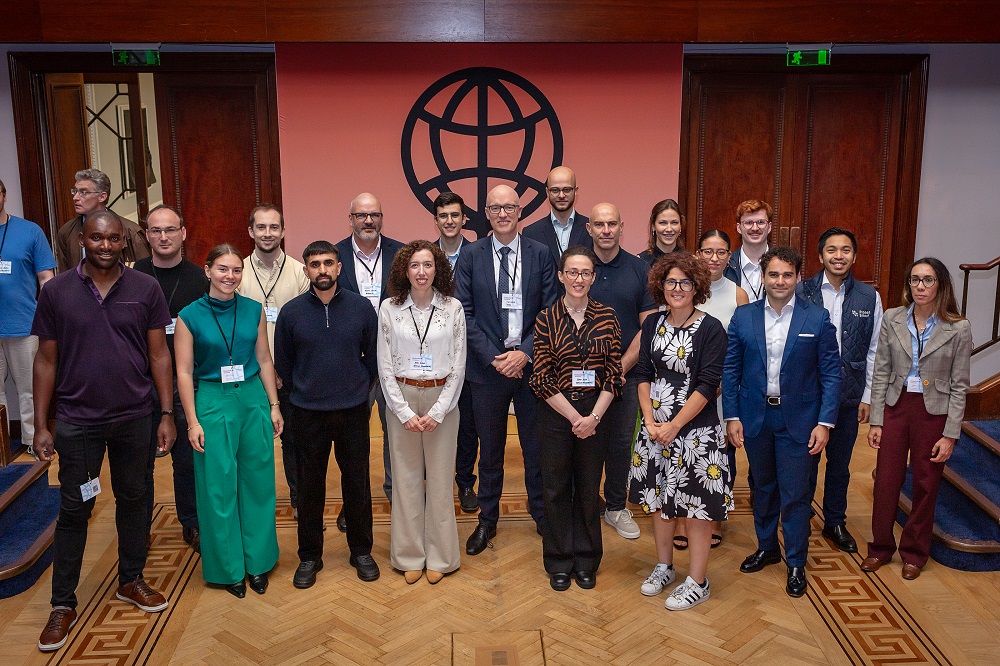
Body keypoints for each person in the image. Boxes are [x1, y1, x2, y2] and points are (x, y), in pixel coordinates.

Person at [32, 211, 174, 652]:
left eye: (114, 239)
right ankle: (62, 604)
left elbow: (159, 356)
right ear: (83, 241)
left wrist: (166, 413)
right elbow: (45, 361)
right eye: (97, 238)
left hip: (134, 417)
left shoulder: (145, 289)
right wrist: (39, 424)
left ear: (125, 242)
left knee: (136, 500)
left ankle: (130, 580)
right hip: (77, 423)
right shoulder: (56, 292)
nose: (106, 246)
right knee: (75, 510)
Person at [723, 246, 840, 598]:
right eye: (773, 274)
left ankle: (795, 561)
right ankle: (766, 547)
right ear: (763, 277)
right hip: (756, 417)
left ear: (798, 277)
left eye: (787, 275)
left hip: (801, 421)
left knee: (795, 493)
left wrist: (825, 423)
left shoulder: (816, 318)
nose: (780, 281)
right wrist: (731, 416)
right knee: (762, 487)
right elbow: (731, 370)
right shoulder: (743, 317)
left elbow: (832, 375)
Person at [454, 184, 558, 555]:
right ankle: (487, 521)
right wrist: (496, 357)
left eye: (509, 207)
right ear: (486, 211)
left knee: (536, 448)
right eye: (495, 208)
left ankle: (542, 516)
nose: (502, 214)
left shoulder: (541, 253)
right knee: (491, 449)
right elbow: (462, 312)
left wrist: (525, 353)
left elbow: (550, 310)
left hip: (531, 370)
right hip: (487, 371)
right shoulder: (471, 255)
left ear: (519, 211)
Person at [175, 244, 282, 598]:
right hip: (211, 400)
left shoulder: (254, 310)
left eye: (236, 270)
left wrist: (274, 405)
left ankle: (258, 563)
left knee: (257, 480)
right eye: (222, 269)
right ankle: (229, 568)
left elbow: (264, 360)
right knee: (217, 487)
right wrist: (192, 421)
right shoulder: (188, 316)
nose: (230, 276)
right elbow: (184, 371)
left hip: (251, 398)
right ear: (207, 271)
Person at [274, 241, 381, 587]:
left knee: (357, 483)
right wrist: (302, 392)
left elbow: (373, 356)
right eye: (315, 264)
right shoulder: (291, 313)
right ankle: (309, 556)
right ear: (306, 270)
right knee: (309, 487)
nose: (322, 269)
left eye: (328, 263)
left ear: (338, 268)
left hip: (352, 410)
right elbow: (284, 364)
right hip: (307, 413)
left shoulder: (361, 308)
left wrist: (358, 388)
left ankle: (361, 551)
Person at [629, 252, 730, 610]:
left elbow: (707, 383)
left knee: (696, 507)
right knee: (659, 502)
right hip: (655, 429)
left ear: (697, 287)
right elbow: (642, 374)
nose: (677, 289)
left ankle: (698, 581)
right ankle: (664, 566)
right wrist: (650, 421)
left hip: (694, 432)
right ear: (661, 285)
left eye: (685, 283)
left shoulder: (711, 328)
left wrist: (673, 425)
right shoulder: (652, 324)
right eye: (670, 282)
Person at [863, 258, 972, 580]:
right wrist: (877, 421)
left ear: (940, 284)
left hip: (933, 413)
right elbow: (881, 370)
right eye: (914, 280)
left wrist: (950, 434)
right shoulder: (893, 318)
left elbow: (960, 384)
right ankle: (880, 548)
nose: (920, 287)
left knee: (926, 483)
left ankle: (914, 553)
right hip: (897, 408)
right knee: (886, 482)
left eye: (927, 280)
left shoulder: (958, 327)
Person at [531, 246, 622, 591]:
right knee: (555, 488)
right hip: (557, 414)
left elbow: (614, 373)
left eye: (585, 273)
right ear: (561, 276)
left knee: (587, 489)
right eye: (572, 272)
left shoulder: (608, 317)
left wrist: (593, 417)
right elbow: (540, 377)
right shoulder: (545, 319)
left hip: (597, 412)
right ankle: (558, 560)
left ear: (593, 278)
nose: (578, 279)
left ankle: (586, 560)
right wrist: (575, 418)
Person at [378, 240, 466, 584]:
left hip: (443, 398)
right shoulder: (389, 308)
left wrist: (440, 410)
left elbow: (459, 364)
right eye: (414, 265)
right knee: (406, 480)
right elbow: (384, 365)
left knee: (442, 481)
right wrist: (402, 411)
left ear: (437, 269)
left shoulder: (453, 308)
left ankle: (442, 557)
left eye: (428, 264)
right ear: (404, 270)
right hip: (402, 398)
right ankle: (410, 555)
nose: (421, 272)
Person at [797, 227, 883, 553]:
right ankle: (800, 517)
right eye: (831, 250)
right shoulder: (802, 293)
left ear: (854, 256)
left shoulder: (869, 297)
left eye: (845, 250)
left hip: (848, 396)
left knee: (840, 464)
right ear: (820, 256)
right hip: (808, 396)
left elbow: (874, 350)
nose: (838, 256)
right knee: (805, 462)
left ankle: (835, 521)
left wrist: (867, 397)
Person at [134, 205, 208, 553]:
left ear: (182, 232)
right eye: (156, 230)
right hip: (138, 383)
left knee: (186, 461)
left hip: (185, 383)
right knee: (137, 465)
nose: (163, 237)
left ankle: (191, 524)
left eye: (170, 230)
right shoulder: (131, 277)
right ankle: (137, 529)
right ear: (146, 235)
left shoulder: (199, 279)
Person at [586, 202, 657, 540]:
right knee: (585, 442)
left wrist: (620, 367)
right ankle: (585, 506)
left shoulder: (639, 269)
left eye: (612, 223)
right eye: (599, 224)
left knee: (618, 444)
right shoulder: (578, 267)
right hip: (582, 377)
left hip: (626, 377)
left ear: (621, 226)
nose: (606, 230)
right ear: (589, 229)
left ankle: (616, 506)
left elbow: (650, 327)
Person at [236, 204, 309, 522]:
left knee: (295, 445)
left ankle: (299, 501)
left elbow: (307, 329)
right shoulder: (235, 272)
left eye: (274, 227)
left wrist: (284, 371)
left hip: (291, 377)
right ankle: (255, 507)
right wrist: (264, 371)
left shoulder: (299, 272)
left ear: (283, 231)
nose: (268, 233)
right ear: (251, 231)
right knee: (252, 447)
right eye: (261, 227)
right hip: (249, 375)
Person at [335, 193, 404, 510]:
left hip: (395, 362)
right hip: (351, 364)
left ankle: (398, 493)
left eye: (374, 214)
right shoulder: (333, 257)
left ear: (382, 217)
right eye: (361, 215)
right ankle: (355, 501)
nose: (368, 221)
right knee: (352, 440)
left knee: (397, 435)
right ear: (350, 219)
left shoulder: (402, 254)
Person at [692, 229, 749, 548]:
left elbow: (742, 347)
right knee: (686, 454)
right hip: (687, 389)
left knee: (720, 455)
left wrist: (720, 383)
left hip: (723, 390)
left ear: (730, 256)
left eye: (721, 252)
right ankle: (686, 517)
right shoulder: (685, 288)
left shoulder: (738, 294)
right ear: (697, 253)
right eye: (707, 251)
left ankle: (713, 518)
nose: (714, 259)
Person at [0, 177, 55, 459]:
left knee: (29, 390)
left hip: (24, 324)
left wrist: (50, 319)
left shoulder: (29, 231)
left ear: (4, 195)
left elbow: (47, 279)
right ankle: (0, 448)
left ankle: (34, 441)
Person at [434, 192, 479, 514]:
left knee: (467, 426)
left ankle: (465, 482)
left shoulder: (478, 254)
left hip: (472, 355)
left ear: (464, 219)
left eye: (455, 215)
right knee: (433, 421)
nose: (449, 221)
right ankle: (433, 484)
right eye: (443, 215)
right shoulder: (424, 256)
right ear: (435, 220)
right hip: (433, 356)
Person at [55, 168, 149, 272]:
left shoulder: (130, 231)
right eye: (75, 191)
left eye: (83, 192)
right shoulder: (67, 231)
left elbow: (145, 274)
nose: (75, 197)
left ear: (102, 196)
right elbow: (65, 276)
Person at [522, 166, 592, 265]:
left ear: (575, 191)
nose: (561, 195)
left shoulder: (591, 230)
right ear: (547, 192)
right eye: (555, 190)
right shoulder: (531, 233)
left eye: (567, 190)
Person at [724, 199, 772, 302]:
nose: (755, 228)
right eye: (748, 223)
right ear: (739, 228)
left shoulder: (783, 264)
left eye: (761, 222)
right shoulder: (726, 264)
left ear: (769, 227)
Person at [638, 199, 684, 267]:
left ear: (680, 226)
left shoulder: (691, 262)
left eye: (674, 223)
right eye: (663, 223)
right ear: (653, 226)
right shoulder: (640, 261)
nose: (669, 229)